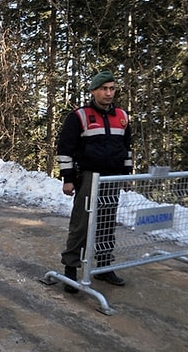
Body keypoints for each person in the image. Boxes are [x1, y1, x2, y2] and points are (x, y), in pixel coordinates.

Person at [56, 70, 132, 293]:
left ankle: (104, 266)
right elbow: (65, 149)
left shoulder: (122, 116)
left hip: (113, 177)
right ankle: (71, 268)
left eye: (112, 88)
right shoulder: (79, 116)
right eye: (104, 89)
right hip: (89, 176)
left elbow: (127, 148)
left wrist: (127, 175)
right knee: (82, 223)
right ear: (93, 91)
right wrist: (68, 179)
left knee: (108, 221)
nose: (109, 93)